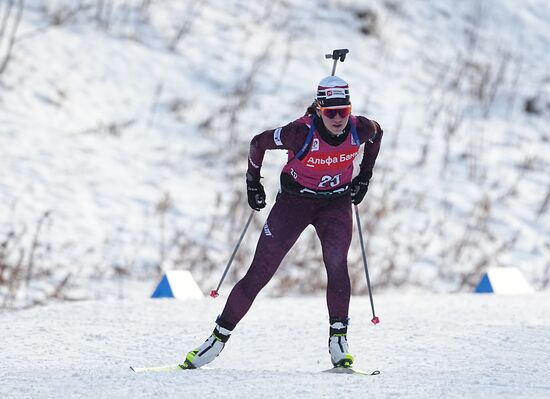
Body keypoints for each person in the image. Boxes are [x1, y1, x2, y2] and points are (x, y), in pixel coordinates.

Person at [181, 75, 383, 369]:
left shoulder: (360, 127)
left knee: (337, 263)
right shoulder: (298, 133)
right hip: (295, 203)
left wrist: (365, 175)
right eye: (331, 112)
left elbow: (378, 134)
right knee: (260, 272)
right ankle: (216, 339)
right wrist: (253, 182)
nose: (339, 118)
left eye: (344, 111)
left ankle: (339, 339)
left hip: (335, 204)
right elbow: (258, 143)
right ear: (319, 109)